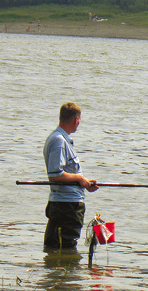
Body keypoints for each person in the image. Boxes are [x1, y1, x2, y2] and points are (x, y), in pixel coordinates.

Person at [43, 102, 99, 248]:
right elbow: (55, 175)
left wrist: (84, 183)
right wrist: (80, 178)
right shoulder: (59, 141)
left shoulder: (61, 139)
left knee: (58, 246)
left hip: (65, 204)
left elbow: (65, 173)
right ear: (76, 120)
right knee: (65, 248)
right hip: (66, 207)